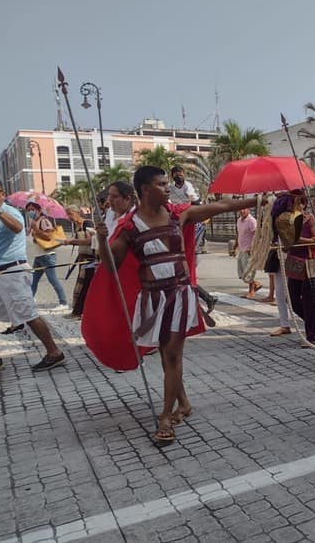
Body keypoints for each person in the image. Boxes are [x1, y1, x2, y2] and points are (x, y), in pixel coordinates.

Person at [95, 165, 259, 443]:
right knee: (165, 354)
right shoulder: (129, 227)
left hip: (178, 294)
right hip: (152, 298)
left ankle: (165, 416)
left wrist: (257, 200)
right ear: (145, 190)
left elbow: (220, 206)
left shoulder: (178, 213)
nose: (168, 187)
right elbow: (112, 267)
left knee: (171, 355)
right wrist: (101, 239)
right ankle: (183, 404)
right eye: (161, 184)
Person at [0, 178, 66, 372]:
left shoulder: (9, 212)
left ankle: (54, 352)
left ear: (2, 194)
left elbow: (17, 227)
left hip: (12, 272)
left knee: (29, 315)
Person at [274, 190, 315, 347]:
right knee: (293, 300)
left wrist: (296, 240)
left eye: (298, 202)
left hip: (309, 262)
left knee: (311, 301)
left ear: (303, 203)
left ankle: (312, 336)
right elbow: (287, 243)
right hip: (293, 263)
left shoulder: (309, 219)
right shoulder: (285, 220)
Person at [25, 201, 69, 311]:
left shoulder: (44, 221)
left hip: (47, 256)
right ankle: (29, 301)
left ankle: (63, 302)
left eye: (32, 209)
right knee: (33, 280)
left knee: (53, 280)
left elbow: (49, 236)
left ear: (39, 210)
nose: (30, 212)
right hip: (39, 256)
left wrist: (36, 229)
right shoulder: (35, 222)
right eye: (28, 210)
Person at [63, 205, 96, 319]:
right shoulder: (78, 226)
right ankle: (79, 311)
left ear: (76, 212)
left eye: (70, 214)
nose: (69, 217)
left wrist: (71, 241)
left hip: (90, 259)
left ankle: (79, 312)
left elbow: (89, 241)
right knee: (82, 286)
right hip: (83, 258)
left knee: (84, 286)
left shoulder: (87, 223)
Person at [235, 207, 260, 299]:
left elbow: (256, 235)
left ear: (248, 210)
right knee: (242, 272)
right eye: (240, 209)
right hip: (241, 249)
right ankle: (256, 284)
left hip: (249, 249)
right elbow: (238, 234)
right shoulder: (239, 220)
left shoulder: (252, 221)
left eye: (244, 209)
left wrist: (252, 248)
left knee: (249, 271)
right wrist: (234, 247)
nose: (242, 211)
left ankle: (251, 291)